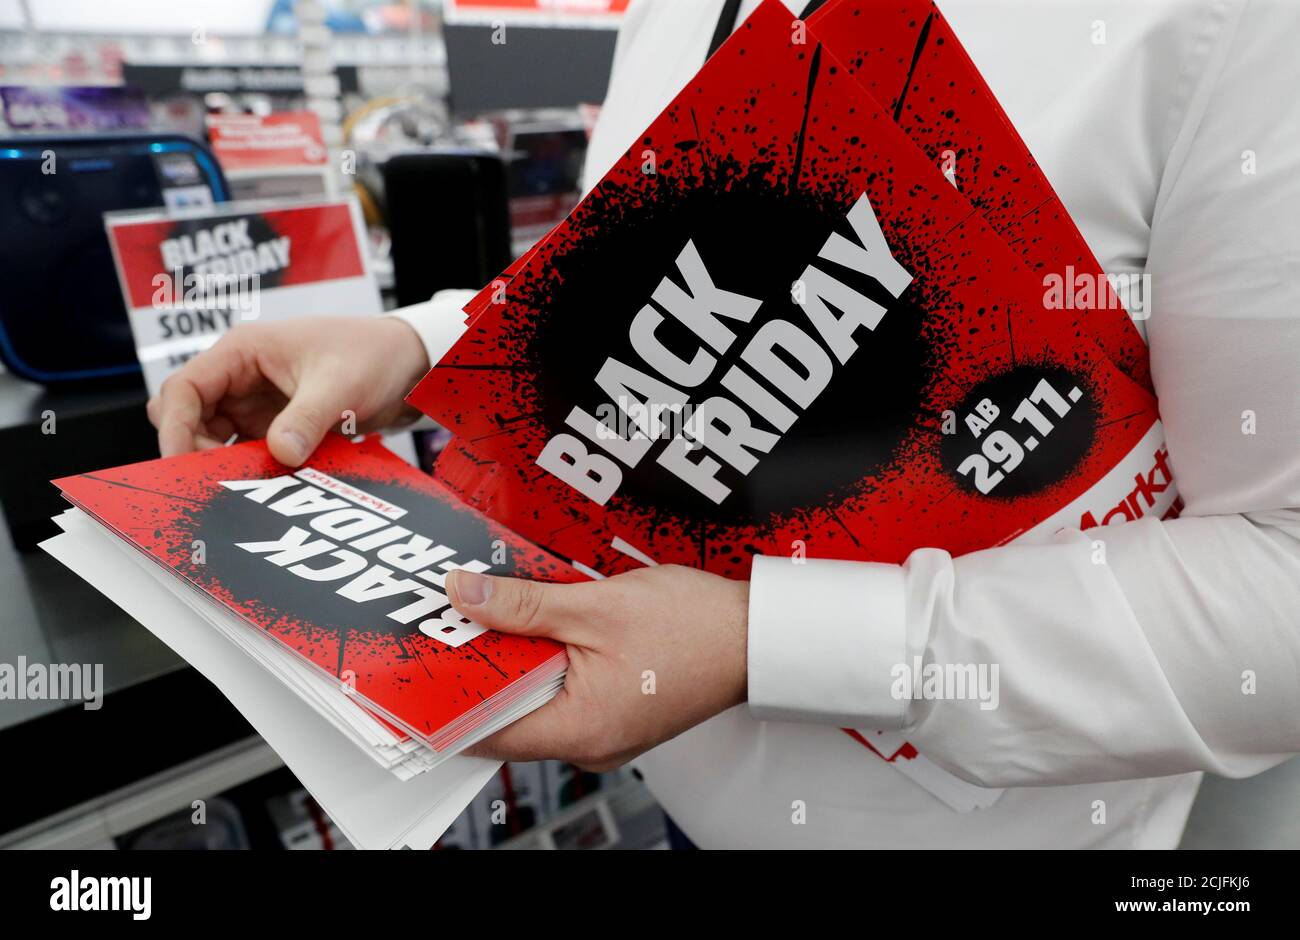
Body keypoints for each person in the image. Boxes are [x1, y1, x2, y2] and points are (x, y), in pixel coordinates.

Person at [149, 0, 1300, 848]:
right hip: (683, 804)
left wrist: (765, 645)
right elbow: (668, 267)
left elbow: (1281, 588)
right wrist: (430, 343)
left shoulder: (1222, 30)